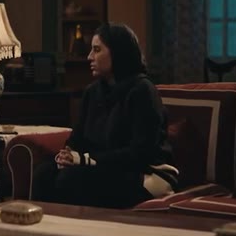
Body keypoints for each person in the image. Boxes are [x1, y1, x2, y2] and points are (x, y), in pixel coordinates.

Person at [32, 23, 178, 208]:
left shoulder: (143, 90)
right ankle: (48, 225)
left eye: (96, 50)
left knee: (71, 178)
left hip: (145, 172)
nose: (89, 57)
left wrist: (85, 160)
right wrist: (67, 156)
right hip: (103, 167)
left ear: (117, 52)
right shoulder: (92, 92)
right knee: (44, 174)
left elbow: (141, 153)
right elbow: (77, 139)